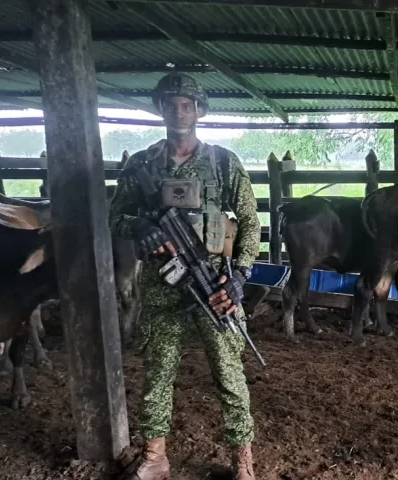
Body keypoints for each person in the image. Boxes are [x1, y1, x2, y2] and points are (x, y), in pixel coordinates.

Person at [109, 72, 261, 480]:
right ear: (160, 108)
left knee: (229, 374)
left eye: (187, 105)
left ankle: (242, 460)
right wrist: (139, 228)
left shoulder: (223, 162)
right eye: (171, 104)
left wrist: (240, 276)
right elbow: (116, 215)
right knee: (157, 371)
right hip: (161, 285)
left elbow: (249, 221)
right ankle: (155, 456)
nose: (179, 111)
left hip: (214, 284)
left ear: (200, 111)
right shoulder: (142, 164)